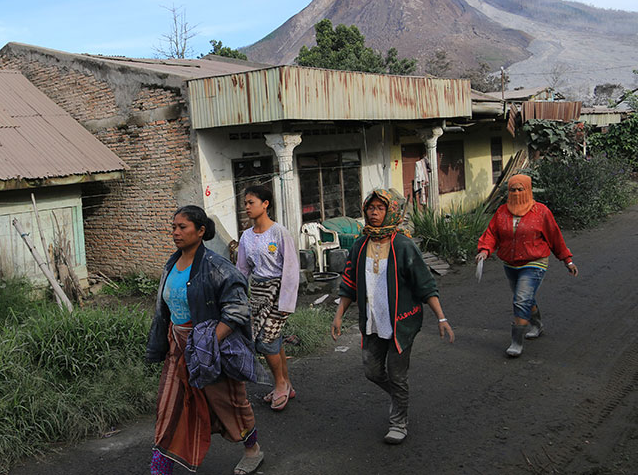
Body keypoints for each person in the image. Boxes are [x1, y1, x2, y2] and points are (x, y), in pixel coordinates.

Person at [146, 205, 264, 475]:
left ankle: (252, 449)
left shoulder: (216, 266)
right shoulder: (170, 264)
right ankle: (160, 467)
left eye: (182, 227)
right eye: (173, 226)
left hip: (211, 351)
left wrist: (208, 344)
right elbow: (165, 312)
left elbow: (238, 308)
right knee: (170, 404)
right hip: (178, 348)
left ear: (200, 231)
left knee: (229, 404)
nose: (175, 232)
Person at [331, 189, 454, 444]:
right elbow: (349, 283)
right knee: (372, 371)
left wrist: (441, 318)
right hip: (372, 322)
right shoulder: (360, 245)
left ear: (391, 211)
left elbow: (425, 284)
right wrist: (339, 315)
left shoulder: (403, 245)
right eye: (370, 208)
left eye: (380, 208)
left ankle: (399, 421)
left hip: (401, 323)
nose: (374, 213)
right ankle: (399, 396)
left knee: (397, 374)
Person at [476, 174, 578, 357]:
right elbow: (491, 234)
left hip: (534, 262)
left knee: (521, 299)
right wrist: (484, 250)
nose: (516, 193)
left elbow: (555, 238)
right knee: (524, 297)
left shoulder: (541, 212)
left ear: (528, 190)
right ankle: (537, 324)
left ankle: (516, 342)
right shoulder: (502, 212)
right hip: (510, 264)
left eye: (520, 189)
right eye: (513, 190)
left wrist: (567, 260)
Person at [235, 185, 301, 411]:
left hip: (278, 291)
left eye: (251, 202)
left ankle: (280, 384)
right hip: (258, 293)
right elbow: (242, 270)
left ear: (265, 204)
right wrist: (238, 297)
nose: (246, 207)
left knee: (266, 340)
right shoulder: (246, 237)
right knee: (272, 338)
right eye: (245, 203)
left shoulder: (279, 233)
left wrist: (286, 303)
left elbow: (291, 268)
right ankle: (286, 384)